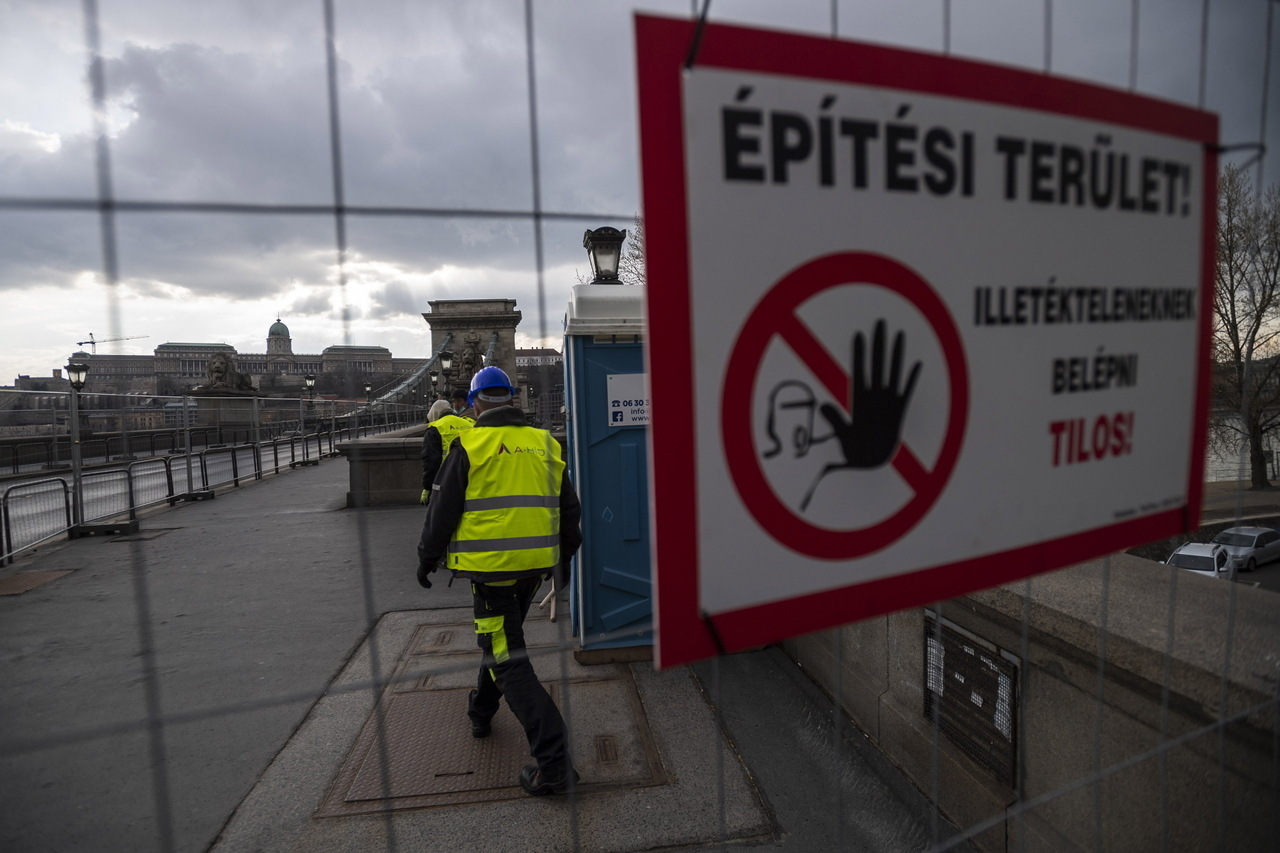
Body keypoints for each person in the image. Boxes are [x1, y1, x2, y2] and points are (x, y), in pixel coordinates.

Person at [416, 366, 583, 796]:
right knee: (501, 643)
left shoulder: (470, 444)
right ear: (512, 399)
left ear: (474, 403)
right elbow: (569, 508)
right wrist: (563, 558)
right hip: (534, 570)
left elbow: (441, 510)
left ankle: (555, 761)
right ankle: (481, 711)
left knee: (508, 658)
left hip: (491, 574)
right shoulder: (545, 443)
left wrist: (426, 558)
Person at [420, 398, 474, 504]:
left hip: (446, 480)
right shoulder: (469, 424)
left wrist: (427, 487)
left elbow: (431, 462)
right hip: (471, 478)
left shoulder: (434, 429)